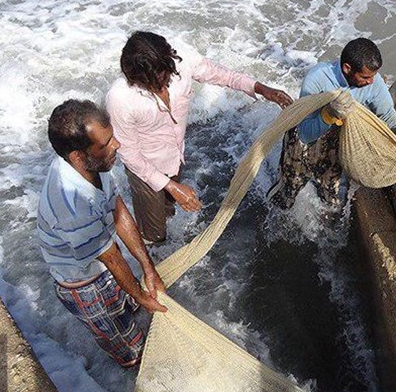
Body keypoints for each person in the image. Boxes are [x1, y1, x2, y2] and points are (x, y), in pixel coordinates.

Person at [106, 32, 293, 245]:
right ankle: (153, 255)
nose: (163, 82)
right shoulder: (120, 98)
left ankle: (164, 229)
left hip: (176, 155)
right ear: (135, 77)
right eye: (153, 81)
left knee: (168, 211)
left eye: (164, 73)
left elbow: (224, 76)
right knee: (154, 234)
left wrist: (262, 89)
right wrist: (172, 187)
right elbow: (130, 155)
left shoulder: (180, 61)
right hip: (145, 167)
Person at [37, 99, 166, 368]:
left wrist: (148, 268)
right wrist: (142, 295)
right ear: (77, 157)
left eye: (112, 137)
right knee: (130, 348)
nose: (116, 145)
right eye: (106, 143)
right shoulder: (71, 203)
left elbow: (118, 211)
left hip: (104, 261)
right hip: (82, 283)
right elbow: (111, 258)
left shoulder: (96, 164)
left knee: (131, 308)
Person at [267, 38, 396, 209]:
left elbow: (387, 115)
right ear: (347, 68)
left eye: (373, 76)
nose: (370, 81)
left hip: (336, 142)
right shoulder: (318, 78)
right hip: (305, 140)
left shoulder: (374, 82)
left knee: (331, 195)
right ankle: (273, 217)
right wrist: (328, 114)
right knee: (288, 192)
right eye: (365, 77)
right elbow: (304, 133)